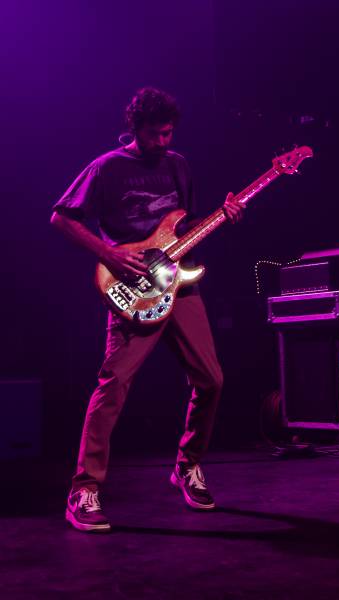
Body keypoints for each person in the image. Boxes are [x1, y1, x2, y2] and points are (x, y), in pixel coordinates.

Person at [51, 87, 243, 532]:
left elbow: (183, 225)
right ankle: (84, 489)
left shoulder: (178, 165)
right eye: (155, 133)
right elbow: (61, 217)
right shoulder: (107, 167)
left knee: (212, 379)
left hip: (178, 284)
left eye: (168, 133)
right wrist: (109, 253)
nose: (162, 141)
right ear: (135, 128)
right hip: (132, 288)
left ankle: (187, 466)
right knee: (114, 384)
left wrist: (223, 215)